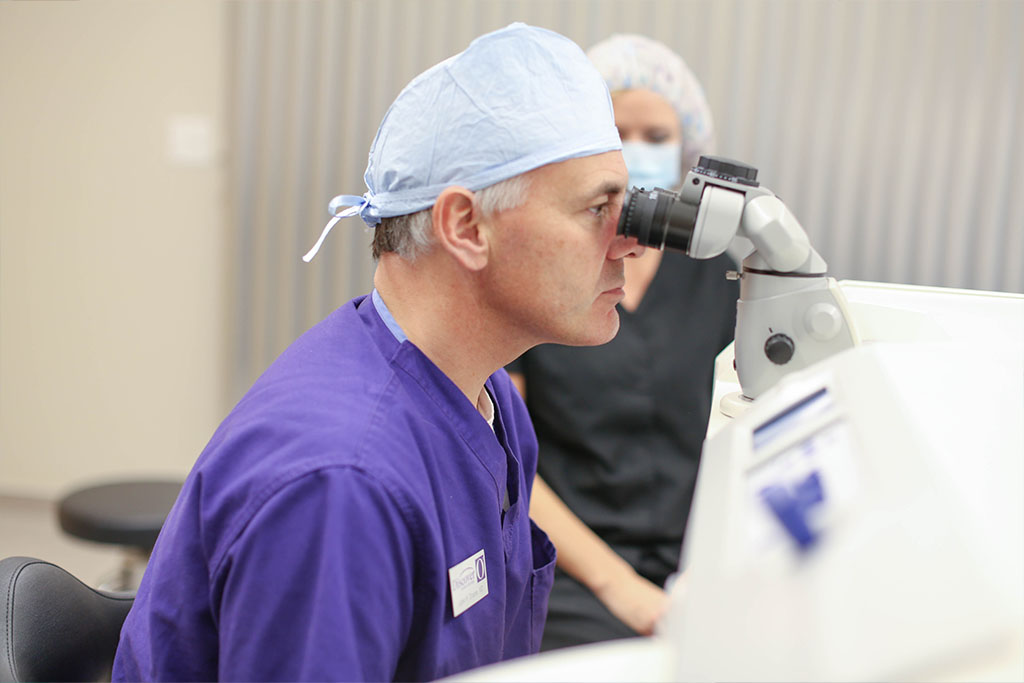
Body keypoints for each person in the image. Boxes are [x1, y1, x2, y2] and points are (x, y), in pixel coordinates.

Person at [112, 23, 645, 682]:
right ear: (466, 226)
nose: (632, 243)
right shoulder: (341, 487)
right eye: (599, 209)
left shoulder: (488, 397)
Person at [506, 34, 740, 650]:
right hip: (571, 573)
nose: (637, 151)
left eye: (656, 137)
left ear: (688, 149)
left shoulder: (719, 272)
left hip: (700, 566)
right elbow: (502, 451)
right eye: (617, 131)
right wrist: (617, 585)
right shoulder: (544, 269)